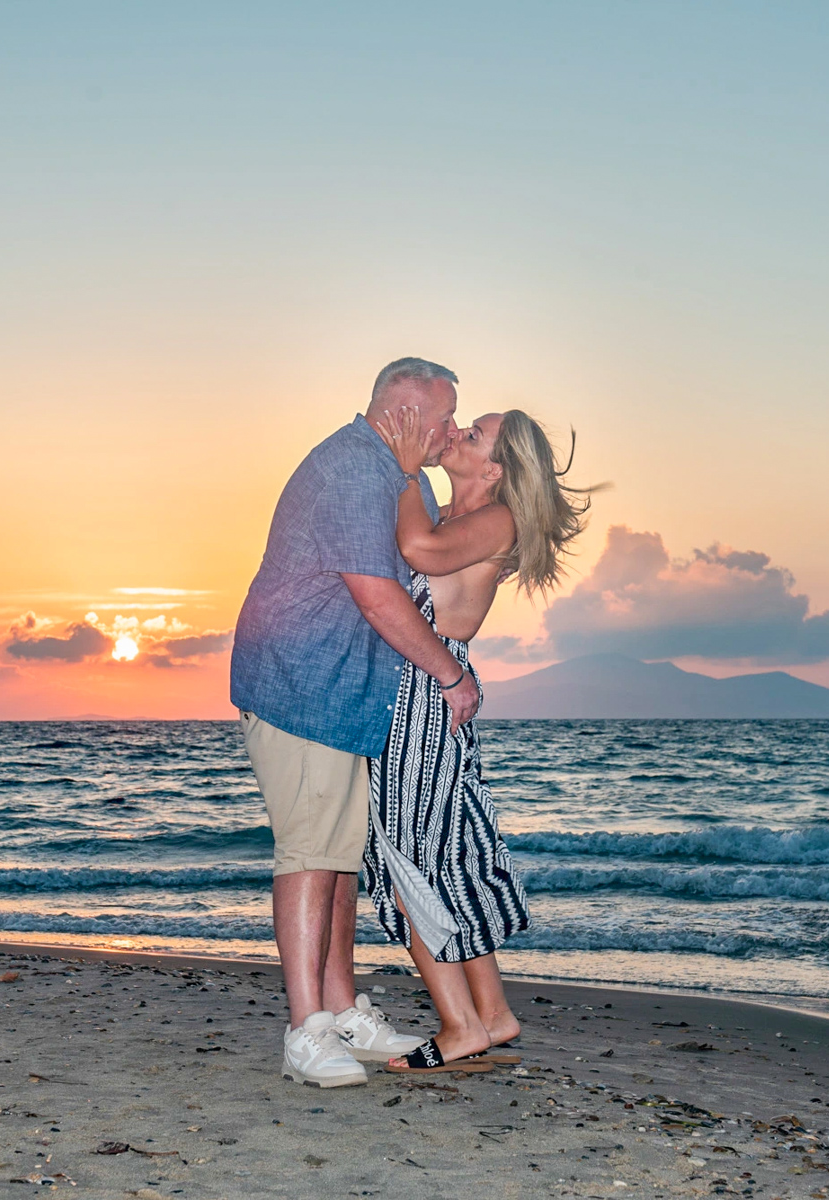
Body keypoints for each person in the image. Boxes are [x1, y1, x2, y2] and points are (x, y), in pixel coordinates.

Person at [230, 357, 481, 1088]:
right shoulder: (349, 471)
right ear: (401, 412)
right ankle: (305, 1030)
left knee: (338, 859)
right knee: (309, 854)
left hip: (345, 696)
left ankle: (340, 1013)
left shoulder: (392, 474)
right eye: (444, 416)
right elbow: (377, 596)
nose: (451, 429)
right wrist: (450, 672)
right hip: (301, 686)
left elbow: (427, 561)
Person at [365, 403, 601, 1073]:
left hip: (422, 692)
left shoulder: (494, 518)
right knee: (443, 855)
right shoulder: (456, 514)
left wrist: (406, 463)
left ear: (496, 467)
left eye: (474, 434)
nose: (459, 430)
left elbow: (419, 554)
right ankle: (492, 1015)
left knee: (405, 859)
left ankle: (459, 1023)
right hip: (421, 688)